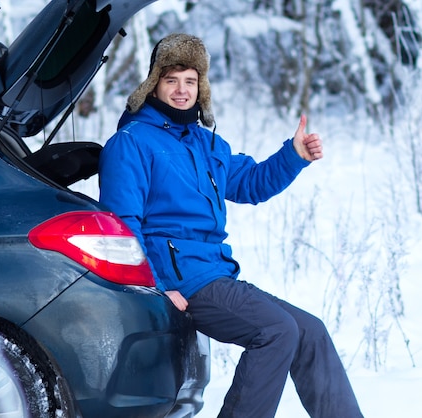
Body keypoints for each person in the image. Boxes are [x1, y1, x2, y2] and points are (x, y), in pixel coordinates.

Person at [98, 33, 364, 418]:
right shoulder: (131, 143)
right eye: (171, 80)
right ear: (153, 83)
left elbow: (251, 183)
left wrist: (293, 156)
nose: (181, 90)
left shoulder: (207, 145)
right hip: (181, 280)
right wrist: (155, 288)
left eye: (190, 81)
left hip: (215, 273)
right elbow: (122, 224)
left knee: (310, 331)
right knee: (277, 330)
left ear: (200, 87)